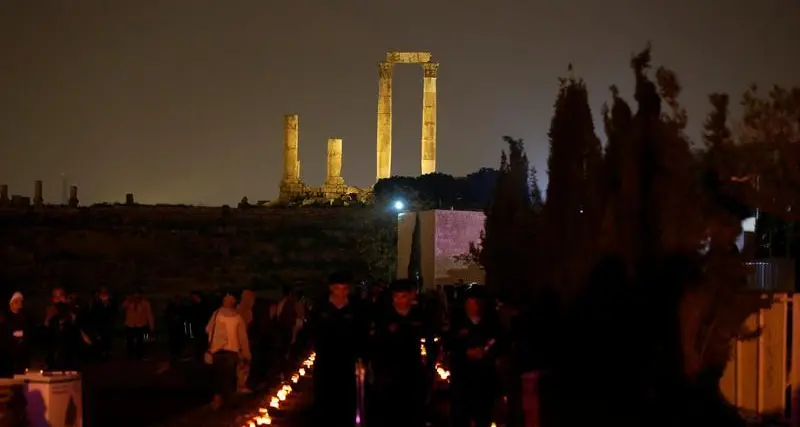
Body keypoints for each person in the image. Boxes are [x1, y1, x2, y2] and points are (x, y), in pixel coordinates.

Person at [309, 271, 368, 427]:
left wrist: (362, 356)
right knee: (324, 397)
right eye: (337, 288)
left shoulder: (356, 308)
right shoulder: (321, 307)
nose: (341, 293)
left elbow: (362, 333)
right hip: (325, 359)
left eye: (345, 289)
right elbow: (311, 330)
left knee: (346, 398)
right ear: (331, 288)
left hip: (347, 360)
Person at [372, 279, 429, 427]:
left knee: (413, 409)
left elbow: (429, 337)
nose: (399, 301)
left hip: (413, 369)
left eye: (403, 297)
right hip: (388, 370)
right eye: (396, 297)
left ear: (411, 296)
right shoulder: (383, 316)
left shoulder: (420, 315)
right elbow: (375, 342)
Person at [448, 288, 501, 427]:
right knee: (461, 410)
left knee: (483, 411)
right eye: (469, 303)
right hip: (463, 373)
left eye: (476, 303)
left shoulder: (491, 323)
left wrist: (486, 351)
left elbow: (499, 342)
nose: (473, 306)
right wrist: (465, 352)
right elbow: (449, 344)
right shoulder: (458, 323)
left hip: (484, 374)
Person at [206, 293, 251, 410]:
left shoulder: (216, 314)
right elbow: (243, 338)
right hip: (231, 352)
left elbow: (208, 330)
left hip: (216, 351)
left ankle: (218, 399)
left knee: (218, 376)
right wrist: (246, 353)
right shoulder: (237, 318)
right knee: (229, 377)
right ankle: (229, 402)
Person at [0, 292, 32, 377]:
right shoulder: (5, 318)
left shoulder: (25, 317)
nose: (19, 304)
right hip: (8, 357)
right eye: (16, 301)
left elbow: (28, 334)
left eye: (20, 301)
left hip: (22, 356)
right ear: (11, 303)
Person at [122, 288, 154, 360]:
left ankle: (139, 355)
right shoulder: (129, 302)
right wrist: (129, 300)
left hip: (140, 325)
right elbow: (123, 306)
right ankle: (130, 355)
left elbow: (149, 315)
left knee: (140, 342)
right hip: (130, 324)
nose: (136, 299)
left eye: (138, 297)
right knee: (129, 341)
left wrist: (151, 326)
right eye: (135, 296)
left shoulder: (145, 304)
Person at [236, 289, 256, 393]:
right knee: (241, 363)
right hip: (238, 341)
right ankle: (240, 385)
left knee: (246, 362)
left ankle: (242, 383)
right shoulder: (238, 312)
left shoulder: (249, 312)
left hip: (245, 339)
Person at [89, 287, 116, 361]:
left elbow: (114, 312)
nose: (104, 295)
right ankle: (101, 354)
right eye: (102, 293)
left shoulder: (111, 302)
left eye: (105, 293)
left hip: (108, 326)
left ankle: (107, 353)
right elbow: (93, 314)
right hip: (99, 325)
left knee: (108, 340)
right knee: (100, 341)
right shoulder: (96, 303)